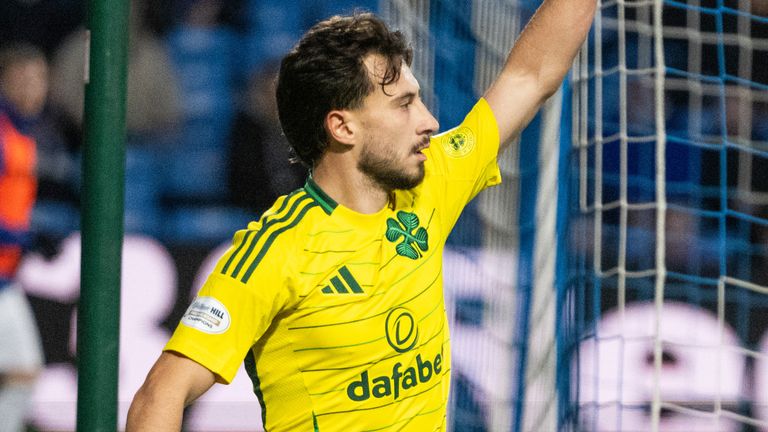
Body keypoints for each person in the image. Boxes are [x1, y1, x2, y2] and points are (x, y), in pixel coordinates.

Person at [127, 1, 596, 430]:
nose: (430, 121)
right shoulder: (277, 250)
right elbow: (159, 396)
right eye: (404, 104)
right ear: (342, 126)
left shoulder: (433, 181)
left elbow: (530, 75)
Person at [0, 42, 47, 432]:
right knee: (22, 370)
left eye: (40, 79)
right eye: (24, 79)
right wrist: (21, 236)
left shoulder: (23, 134)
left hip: (6, 277)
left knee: (21, 371)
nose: (34, 89)